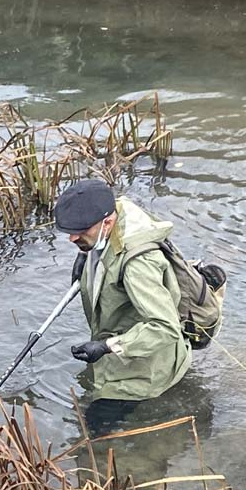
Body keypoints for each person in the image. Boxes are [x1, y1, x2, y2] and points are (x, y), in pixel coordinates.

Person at [54, 179, 191, 433]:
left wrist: (107, 346)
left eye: (80, 231)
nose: (72, 237)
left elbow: (165, 327)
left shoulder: (138, 266)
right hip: (125, 348)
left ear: (107, 223)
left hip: (141, 373)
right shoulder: (116, 212)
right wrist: (84, 254)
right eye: (70, 231)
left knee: (93, 431)